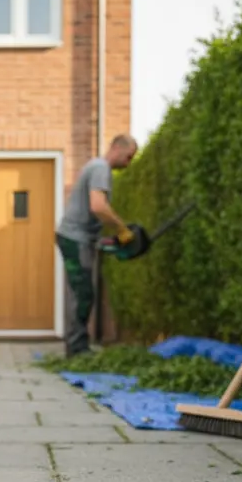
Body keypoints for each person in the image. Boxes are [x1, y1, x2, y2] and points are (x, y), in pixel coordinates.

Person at [55, 134, 139, 357]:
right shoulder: (101, 168)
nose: (128, 163)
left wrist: (101, 239)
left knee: (80, 292)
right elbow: (98, 207)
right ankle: (77, 349)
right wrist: (122, 229)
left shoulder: (95, 166)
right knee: (82, 293)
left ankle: (76, 346)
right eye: (129, 157)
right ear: (117, 149)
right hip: (75, 238)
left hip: (76, 236)